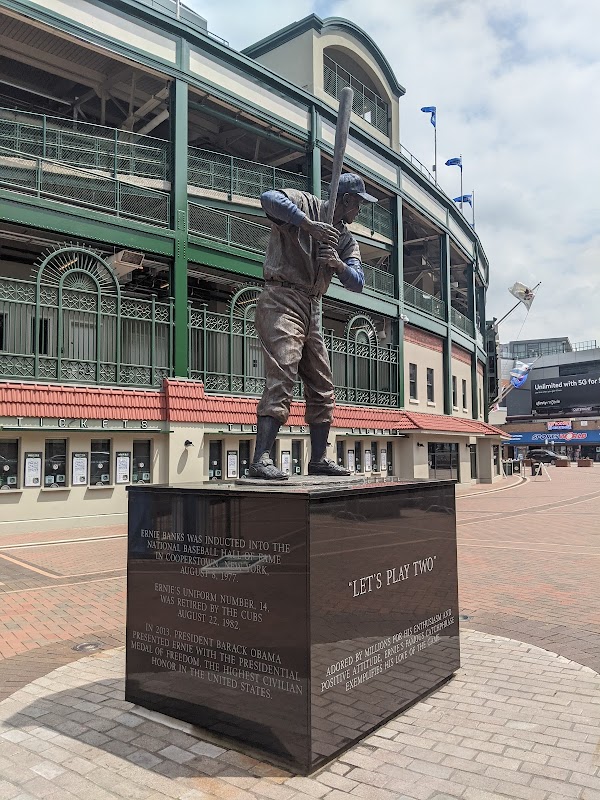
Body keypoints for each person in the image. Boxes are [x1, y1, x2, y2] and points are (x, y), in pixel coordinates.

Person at [248, 173, 378, 480]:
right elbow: (268, 198)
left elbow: (358, 282)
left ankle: (318, 458)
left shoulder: (344, 239)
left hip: (313, 306)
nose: (358, 212)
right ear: (346, 200)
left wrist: (338, 265)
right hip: (281, 296)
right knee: (283, 373)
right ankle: (260, 457)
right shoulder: (306, 204)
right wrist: (308, 226)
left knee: (322, 387)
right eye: (357, 204)